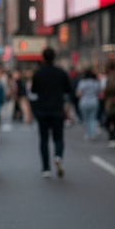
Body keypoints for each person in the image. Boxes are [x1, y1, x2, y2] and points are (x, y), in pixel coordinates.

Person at [31, 48, 72, 177]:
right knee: (58, 137)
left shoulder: (38, 73)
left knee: (43, 139)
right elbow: (68, 89)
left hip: (42, 109)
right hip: (57, 109)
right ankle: (58, 156)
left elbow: (33, 90)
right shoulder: (60, 73)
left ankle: (46, 168)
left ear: (43, 58)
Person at [76, 69, 100, 140]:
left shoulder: (82, 82)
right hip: (94, 102)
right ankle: (93, 133)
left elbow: (78, 94)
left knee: (86, 119)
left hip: (84, 102)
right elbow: (99, 92)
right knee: (92, 118)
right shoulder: (95, 82)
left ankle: (88, 134)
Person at [103, 61, 115, 146]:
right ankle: (114, 134)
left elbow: (107, 90)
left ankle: (113, 134)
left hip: (113, 102)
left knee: (110, 119)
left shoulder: (112, 78)